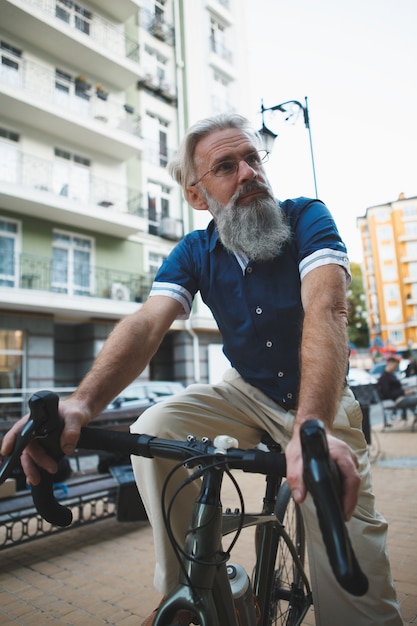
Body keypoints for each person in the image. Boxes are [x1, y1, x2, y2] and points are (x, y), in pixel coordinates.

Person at [1, 114, 402, 626]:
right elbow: (149, 323)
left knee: (355, 581)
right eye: (227, 166)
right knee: (152, 427)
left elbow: (326, 307)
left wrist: (312, 427)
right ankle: (189, 593)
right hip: (244, 389)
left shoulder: (306, 217)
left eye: (254, 159)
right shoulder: (194, 250)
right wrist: (81, 404)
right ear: (197, 194)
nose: (249, 173)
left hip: (317, 397)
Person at [377, 356, 417, 423]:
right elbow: (387, 393)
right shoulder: (384, 377)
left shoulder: (390, 375)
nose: (395, 368)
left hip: (399, 397)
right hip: (397, 400)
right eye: (395, 366)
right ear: (390, 363)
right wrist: (403, 392)